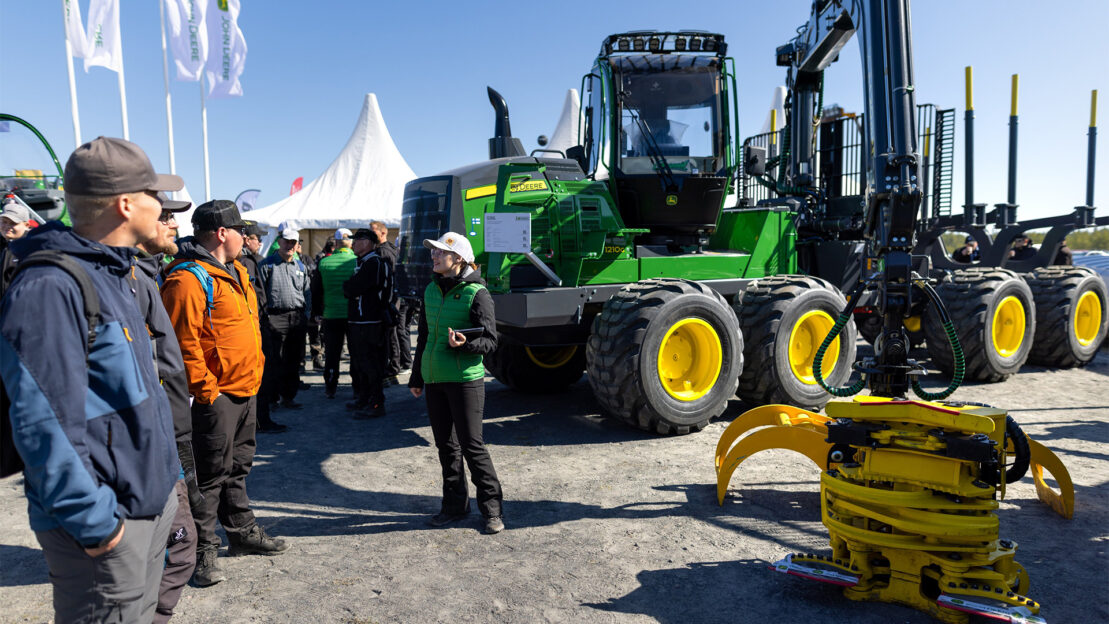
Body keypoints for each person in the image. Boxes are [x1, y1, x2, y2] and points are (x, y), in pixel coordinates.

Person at [0, 136, 180, 621]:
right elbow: (42, 425)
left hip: (145, 505)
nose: (161, 208)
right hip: (105, 527)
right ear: (125, 204)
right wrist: (97, 525)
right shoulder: (51, 285)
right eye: (153, 196)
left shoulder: (116, 274)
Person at [161, 200, 288, 588]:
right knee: (208, 474)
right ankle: (202, 551)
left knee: (238, 466)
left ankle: (241, 531)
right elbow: (183, 346)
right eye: (240, 232)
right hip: (214, 397)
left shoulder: (236, 272)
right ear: (222, 233)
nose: (246, 239)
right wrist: (207, 392)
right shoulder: (187, 279)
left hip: (244, 389)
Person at [408, 232, 504, 535]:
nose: (434, 257)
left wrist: (463, 345)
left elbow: (490, 341)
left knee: (472, 446)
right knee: (446, 447)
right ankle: (454, 506)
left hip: (465, 381)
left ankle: (491, 509)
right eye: (433, 252)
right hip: (435, 378)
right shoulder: (430, 290)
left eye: (440, 253)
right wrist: (416, 376)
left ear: (458, 258)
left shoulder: (477, 293)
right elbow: (423, 336)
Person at [133, 193, 198, 624]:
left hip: (165, 435)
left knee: (176, 550)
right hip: (147, 447)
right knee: (173, 551)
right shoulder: (123, 280)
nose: (174, 225)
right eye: (166, 217)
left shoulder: (144, 274)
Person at [258, 228, 311, 418]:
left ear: (297, 245)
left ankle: (289, 396)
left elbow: (307, 293)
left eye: (293, 242)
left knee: (293, 359)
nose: (290, 245)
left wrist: (306, 314)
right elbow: (261, 294)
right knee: (273, 360)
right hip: (274, 318)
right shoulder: (266, 265)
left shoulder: (301, 267)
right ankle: (272, 398)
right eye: (287, 241)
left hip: (296, 318)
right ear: (279, 241)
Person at [343, 228, 394, 417]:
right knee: (361, 364)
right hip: (362, 322)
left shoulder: (373, 263)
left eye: (357, 240)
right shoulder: (365, 262)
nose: (353, 243)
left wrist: (349, 286)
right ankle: (364, 399)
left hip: (370, 322)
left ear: (368, 243)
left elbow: (352, 288)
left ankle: (375, 404)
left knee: (371, 365)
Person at [312, 228, 358, 399]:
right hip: (352, 315)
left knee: (332, 353)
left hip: (331, 315)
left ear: (336, 243)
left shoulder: (324, 263)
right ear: (351, 243)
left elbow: (316, 291)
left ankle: (330, 387)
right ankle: (356, 387)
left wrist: (317, 312)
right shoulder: (356, 261)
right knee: (355, 352)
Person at [0, 200, 33, 286]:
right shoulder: (3, 244)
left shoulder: (33, 249)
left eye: (13, 223)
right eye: (4, 222)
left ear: (27, 225)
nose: (7, 226)